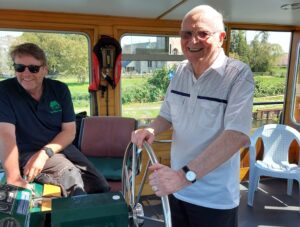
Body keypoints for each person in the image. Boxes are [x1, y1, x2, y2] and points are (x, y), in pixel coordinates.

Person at [131, 5, 254, 227]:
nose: (193, 41)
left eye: (203, 33)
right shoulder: (180, 71)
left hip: (215, 199)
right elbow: (167, 116)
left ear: (221, 38)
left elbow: (237, 136)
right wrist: (151, 129)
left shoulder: (238, 75)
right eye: (186, 34)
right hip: (177, 192)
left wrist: (183, 177)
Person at [0, 42, 110, 196]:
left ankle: (99, 219)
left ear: (45, 69)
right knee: (72, 181)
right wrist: (14, 178)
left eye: (33, 68)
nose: (25, 74)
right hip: (26, 152)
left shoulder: (59, 89)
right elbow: (5, 135)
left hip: (60, 147)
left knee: (100, 185)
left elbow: (69, 131)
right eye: (20, 68)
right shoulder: (4, 91)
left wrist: (44, 154)